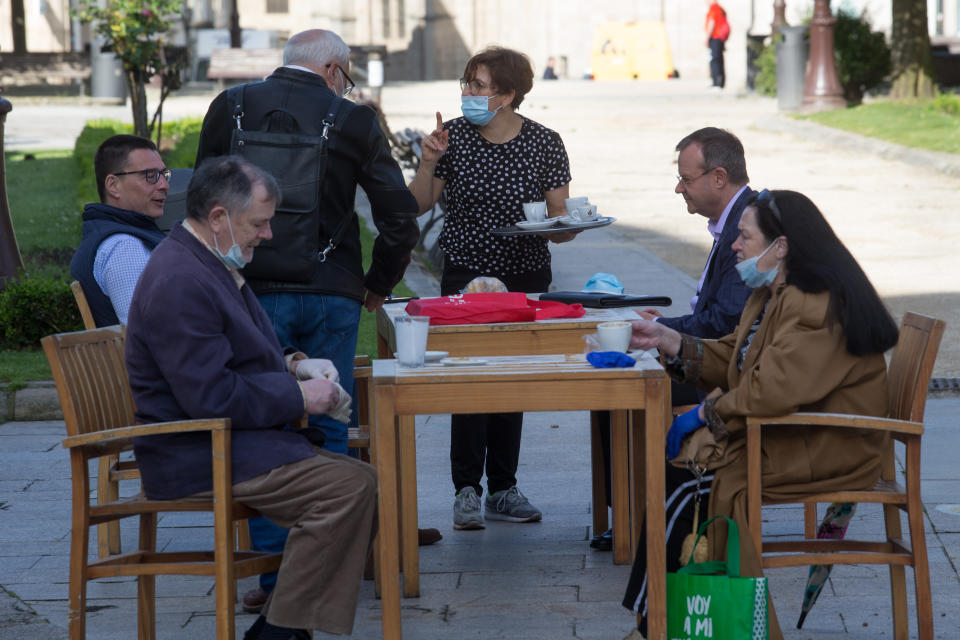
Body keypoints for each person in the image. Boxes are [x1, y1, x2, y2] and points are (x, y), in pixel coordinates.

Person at [194, 28, 425, 610]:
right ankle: (321, 578)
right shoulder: (353, 119)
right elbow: (398, 215)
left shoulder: (230, 105)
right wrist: (377, 284)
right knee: (328, 420)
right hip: (332, 291)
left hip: (248, 289)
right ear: (332, 72)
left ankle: (276, 579)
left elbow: (201, 201)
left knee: (266, 425)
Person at [620, 189, 899, 640]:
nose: (735, 244)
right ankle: (655, 623)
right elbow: (737, 357)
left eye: (745, 236)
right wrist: (669, 340)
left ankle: (655, 626)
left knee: (691, 481)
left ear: (781, 246)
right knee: (679, 476)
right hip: (794, 433)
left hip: (831, 446)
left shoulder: (815, 304)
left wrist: (703, 415)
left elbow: (770, 389)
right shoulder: (775, 292)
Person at [125, 155, 377, 640]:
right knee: (347, 488)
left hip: (228, 442)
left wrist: (293, 362)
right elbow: (211, 395)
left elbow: (238, 347)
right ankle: (281, 632)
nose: (268, 234)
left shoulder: (206, 259)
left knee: (360, 481)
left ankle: (282, 624)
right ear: (218, 216)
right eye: (258, 223)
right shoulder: (182, 277)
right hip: (200, 452)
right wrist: (300, 397)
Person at [409, 46, 574, 530]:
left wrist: (563, 228)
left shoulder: (545, 142)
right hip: (465, 273)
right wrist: (427, 161)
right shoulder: (452, 138)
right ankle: (466, 490)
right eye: (467, 83)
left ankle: (504, 487)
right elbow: (417, 205)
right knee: (468, 381)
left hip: (525, 273)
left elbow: (560, 220)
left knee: (510, 379)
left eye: (479, 86)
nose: (468, 94)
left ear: (508, 94)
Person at [591, 127, 754, 552]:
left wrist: (668, 331)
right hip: (725, 357)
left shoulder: (748, 225)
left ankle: (634, 518)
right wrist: (666, 325)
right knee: (620, 373)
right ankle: (628, 513)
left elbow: (725, 322)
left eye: (686, 178)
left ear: (718, 177)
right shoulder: (736, 218)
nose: (678, 187)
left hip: (733, 370)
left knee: (622, 384)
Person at [70, 134, 169, 327]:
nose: (164, 185)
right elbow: (149, 334)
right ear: (114, 186)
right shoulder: (125, 248)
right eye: (150, 176)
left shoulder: (112, 233)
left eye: (164, 175)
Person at [705, 0, 729, 89]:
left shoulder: (714, 8)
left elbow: (712, 23)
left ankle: (716, 83)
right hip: (720, 38)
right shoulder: (720, 9)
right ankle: (721, 82)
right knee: (719, 59)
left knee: (714, 60)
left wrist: (707, 38)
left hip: (715, 37)